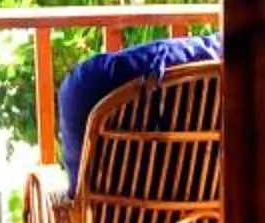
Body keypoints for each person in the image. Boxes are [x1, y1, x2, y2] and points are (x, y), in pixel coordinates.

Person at [56, 32, 221, 188]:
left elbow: (75, 194)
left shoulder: (83, 87)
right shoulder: (234, 71)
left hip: (110, 216)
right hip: (210, 215)